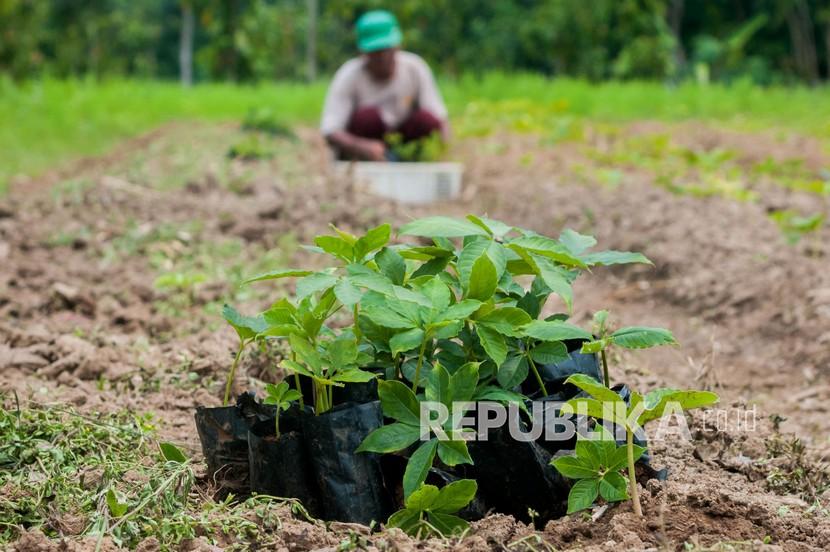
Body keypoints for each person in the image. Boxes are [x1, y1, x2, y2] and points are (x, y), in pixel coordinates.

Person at [320, 10, 448, 161]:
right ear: (363, 52)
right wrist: (362, 146)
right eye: (376, 52)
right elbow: (330, 130)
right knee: (367, 118)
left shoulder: (415, 68)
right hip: (367, 145)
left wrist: (443, 153)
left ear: (398, 46)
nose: (382, 57)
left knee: (426, 121)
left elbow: (440, 118)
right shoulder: (349, 75)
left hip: (405, 139)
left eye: (387, 50)